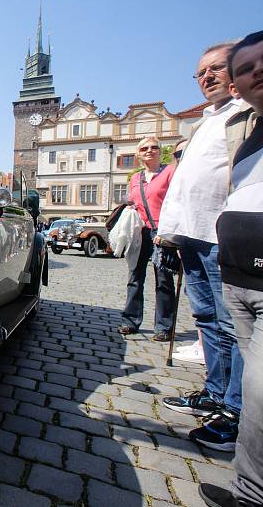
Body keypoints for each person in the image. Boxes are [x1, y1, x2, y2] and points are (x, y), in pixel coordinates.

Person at [157, 41, 246, 453]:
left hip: (221, 233)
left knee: (234, 325)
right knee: (208, 318)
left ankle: (235, 411)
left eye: (216, 68)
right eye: (200, 73)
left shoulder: (245, 113)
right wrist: (169, 228)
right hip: (192, 232)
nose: (206, 77)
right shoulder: (210, 118)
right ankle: (214, 394)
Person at [198, 30, 263, 507]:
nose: (254, 72)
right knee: (250, 384)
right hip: (238, 271)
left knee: (260, 393)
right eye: (246, 67)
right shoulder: (247, 130)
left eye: (217, 70)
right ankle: (247, 488)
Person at [117, 137, 176, 341]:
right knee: (135, 277)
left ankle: (164, 326)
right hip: (140, 231)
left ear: (160, 151)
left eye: (154, 147)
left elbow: (176, 201)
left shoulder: (170, 171)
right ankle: (130, 320)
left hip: (162, 230)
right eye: (144, 148)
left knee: (164, 280)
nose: (149, 150)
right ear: (139, 154)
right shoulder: (136, 178)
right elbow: (133, 199)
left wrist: (170, 231)